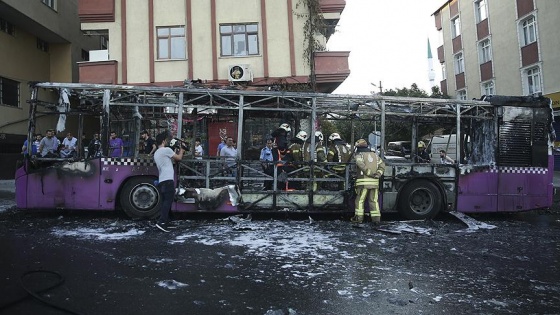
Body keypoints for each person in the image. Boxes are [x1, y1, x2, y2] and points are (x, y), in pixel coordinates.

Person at [154, 132, 186, 232]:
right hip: (168, 180)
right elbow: (179, 158)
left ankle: (166, 222)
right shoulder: (166, 150)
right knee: (167, 202)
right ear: (163, 141)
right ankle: (161, 222)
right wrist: (182, 150)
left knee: (165, 202)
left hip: (162, 180)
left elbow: (171, 161)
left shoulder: (157, 153)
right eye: (166, 140)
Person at [352, 138, 385, 224]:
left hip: (363, 184)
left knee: (360, 201)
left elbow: (360, 164)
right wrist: (378, 174)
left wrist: (369, 173)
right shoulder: (375, 156)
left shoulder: (359, 155)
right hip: (374, 184)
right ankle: (376, 220)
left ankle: (358, 219)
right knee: (374, 201)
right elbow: (382, 165)